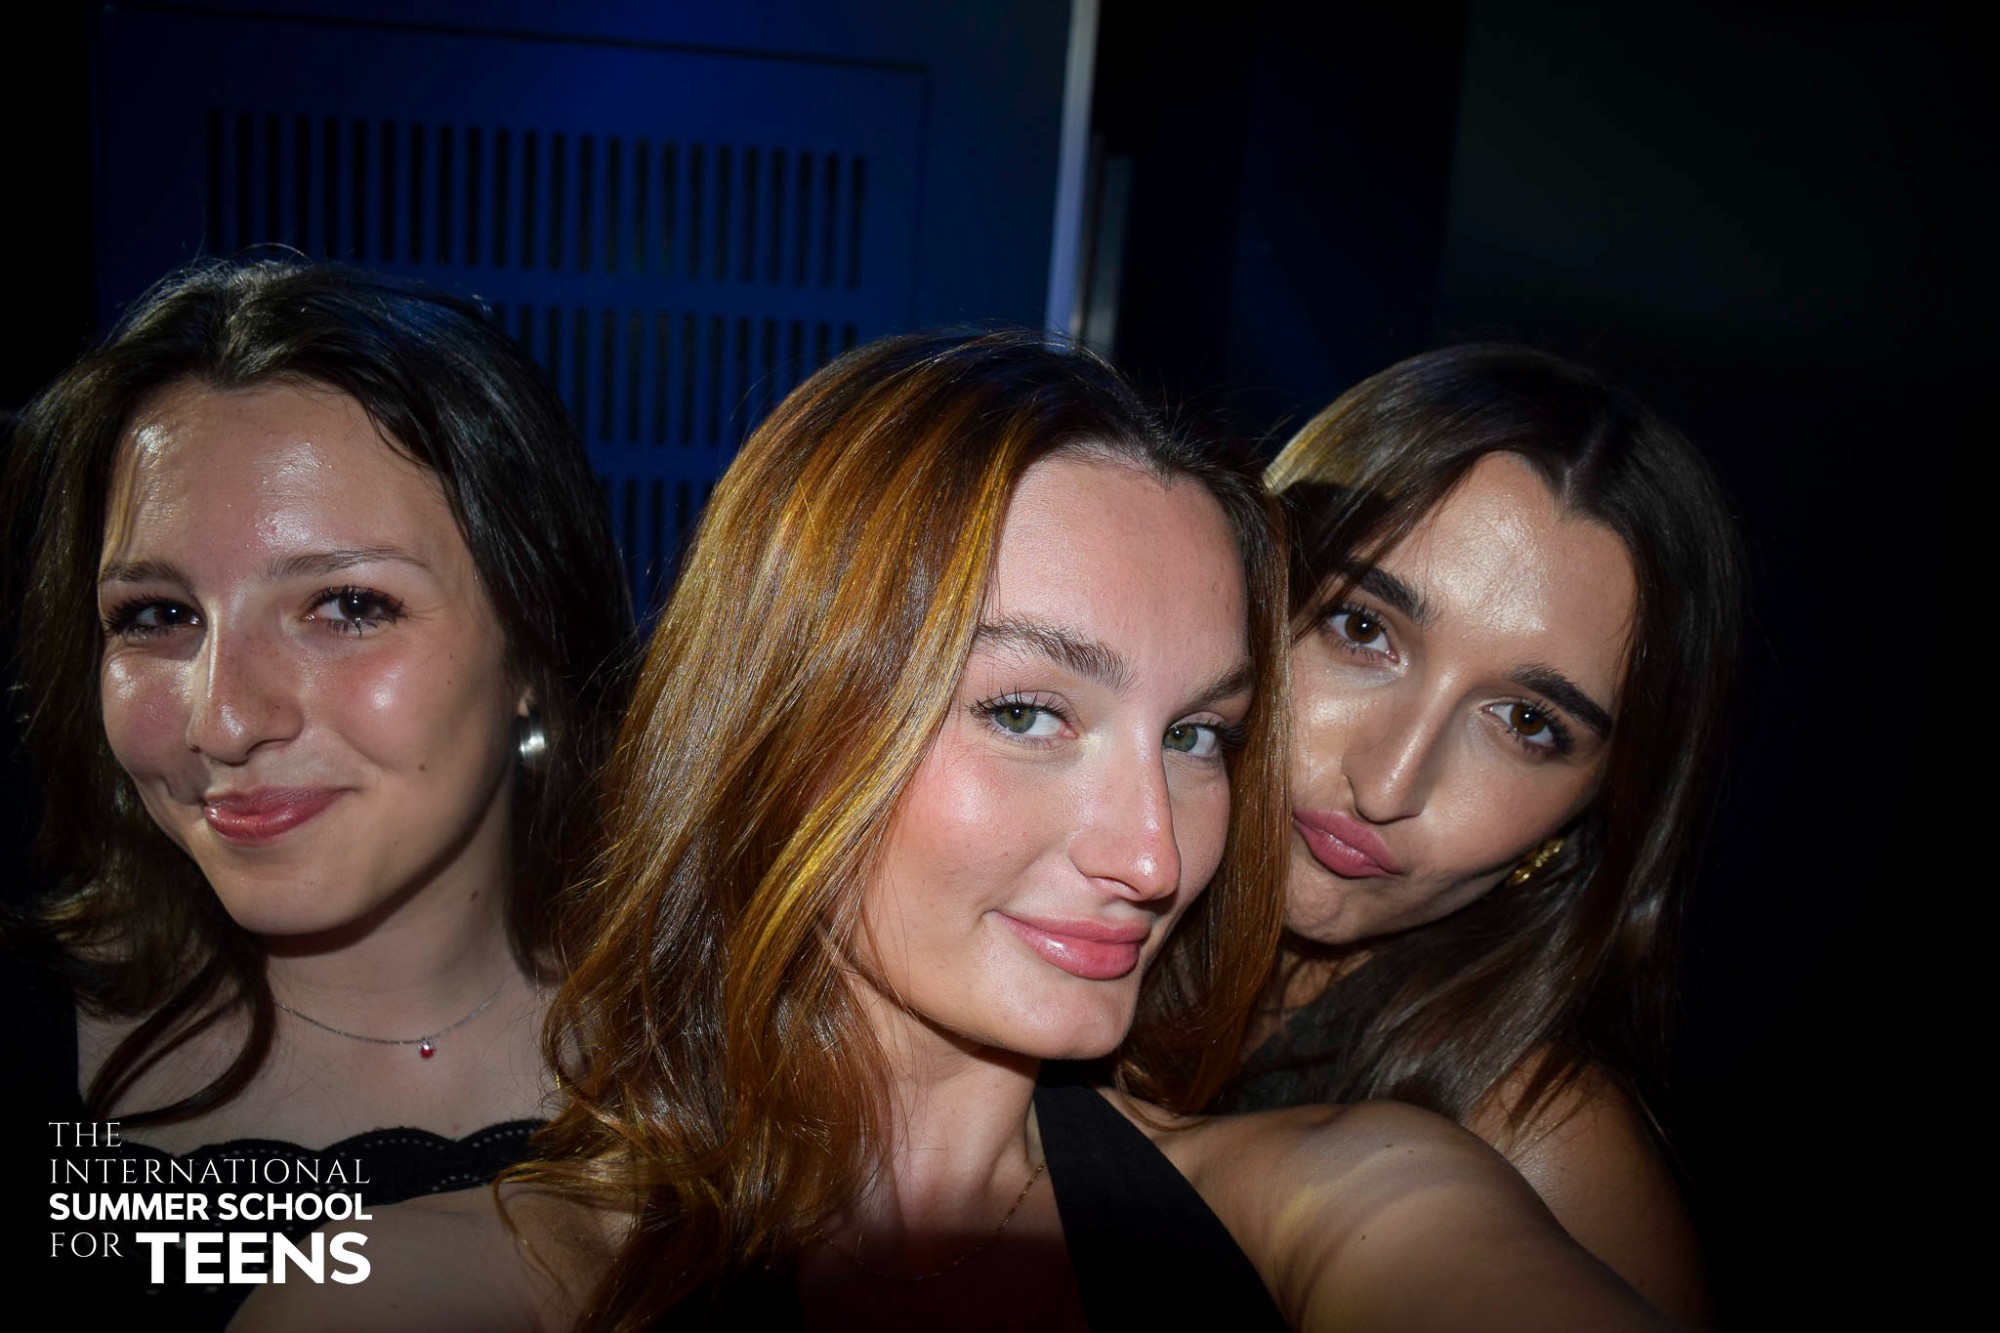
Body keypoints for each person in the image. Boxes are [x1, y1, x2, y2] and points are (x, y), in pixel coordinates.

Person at [239, 330, 1663, 1332]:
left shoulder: (1356, 1187)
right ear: (788, 722)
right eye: (1027, 710)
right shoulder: (445, 1279)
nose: (1156, 855)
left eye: (1198, 736)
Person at [3, 258, 632, 1324]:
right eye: (158, 615)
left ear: (532, 644)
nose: (222, 720)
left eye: (347, 605)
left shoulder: (750, 1047)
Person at [1218, 343, 1743, 1322]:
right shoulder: (1078, 930)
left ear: (1592, 809)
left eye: (1526, 721)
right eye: (1362, 629)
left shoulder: (1546, 1148)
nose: (1388, 782)